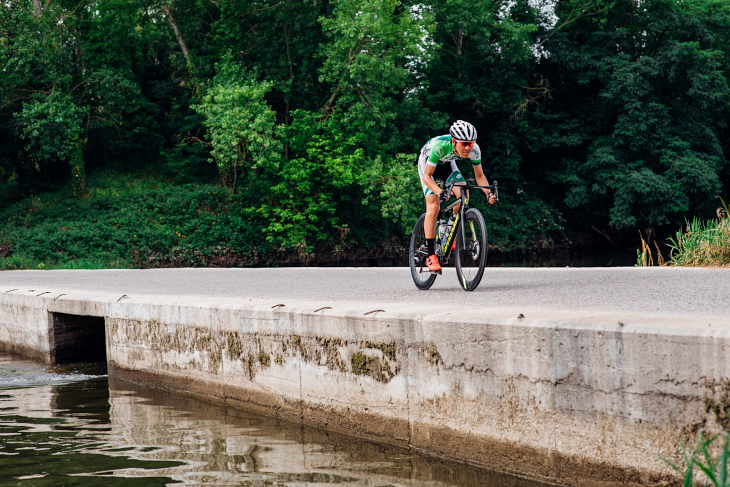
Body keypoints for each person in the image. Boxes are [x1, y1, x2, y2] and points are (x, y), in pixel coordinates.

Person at [417, 120, 497, 272]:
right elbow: (427, 176)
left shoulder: (475, 150)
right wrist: (439, 191)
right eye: (464, 144)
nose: (467, 148)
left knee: (464, 194)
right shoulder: (441, 146)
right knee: (434, 206)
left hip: (448, 164)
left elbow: (479, 176)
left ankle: (450, 231)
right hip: (428, 164)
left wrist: (488, 193)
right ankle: (430, 254)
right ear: (454, 141)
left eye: (471, 144)